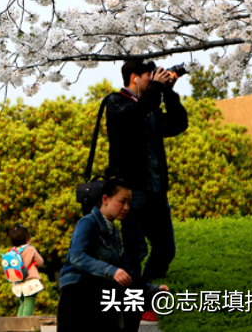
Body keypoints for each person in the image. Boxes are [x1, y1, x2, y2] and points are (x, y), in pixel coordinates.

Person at [106, 59, 187, 325]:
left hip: (156, 190)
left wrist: (169, 92)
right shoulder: (116, 103)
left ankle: (146, 293)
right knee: (134, 253)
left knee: (165, 249)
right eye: (149, 76)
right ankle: (134, 309)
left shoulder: (150, 108)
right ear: (134, 77)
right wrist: (156, 89)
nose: (153, 81)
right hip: (132, 191)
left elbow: (178, 124)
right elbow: (133, 115)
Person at [57, 171, 169, 332]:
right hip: (78, 289)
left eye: (129, 203)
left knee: (135, 292)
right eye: (122, 201)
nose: (126, 207)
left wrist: (153, 289)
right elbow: (77, 257)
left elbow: (125, 271)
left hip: (100, 290)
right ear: (105, 199)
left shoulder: (114, 232)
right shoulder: (88, 223)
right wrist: (111, 271)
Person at [7, 224, 44, 317]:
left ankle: (18, 324)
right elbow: (40, 262)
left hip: (18, 283)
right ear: (27, 238)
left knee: (22, 304)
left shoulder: (12, 251)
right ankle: (26, 324)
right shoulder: (30, 249)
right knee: (29, 304)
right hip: (29, 282)